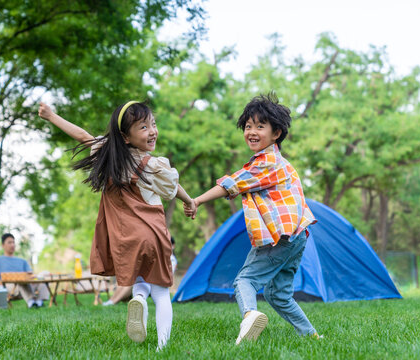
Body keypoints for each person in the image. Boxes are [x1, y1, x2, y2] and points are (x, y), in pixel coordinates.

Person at [38, 101, 195, 350]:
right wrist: (189, 201)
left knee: (140, 279)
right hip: (152, 234)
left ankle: (140, 300)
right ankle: (162, 347)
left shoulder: (108, 156)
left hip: (125, 237)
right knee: (163, 291)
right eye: (143, 127)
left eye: (153, 124)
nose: (152, 131)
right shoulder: (151, 165)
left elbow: (82, 136)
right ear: (126, 137)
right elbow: (173, 188)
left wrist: (52, 116)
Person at [184, 93, 321, 344]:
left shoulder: (265, 164)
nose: (252, 131)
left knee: (245, 280)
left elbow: (231, 184)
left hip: (281, 235)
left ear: (276, 133)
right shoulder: (279, 162)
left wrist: (197, 200)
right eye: (248, 126)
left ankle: (249, 315)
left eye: (260, 126)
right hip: (298, 235)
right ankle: (312, 336)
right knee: (278, 294)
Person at [103, 236, 177, 306]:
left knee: (131, 283)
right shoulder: (158, 255)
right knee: (127, 281)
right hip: (147, 279)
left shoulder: (172, 259)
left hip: (156, 282)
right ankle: (112, 300)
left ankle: (114, 302)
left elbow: (168, 274)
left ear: (173, 246)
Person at [0, 233, 50, 308]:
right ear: (3, 245)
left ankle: (39, 301)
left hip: (27, 284)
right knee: (20, 280)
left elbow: (31, 275)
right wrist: (1, 286)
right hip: (9, 286)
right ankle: (31, 302)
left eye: (13, 242)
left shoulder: (22, 261)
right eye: (9, 242)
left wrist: (33, 278)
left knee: (45, 273)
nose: (12, 245)